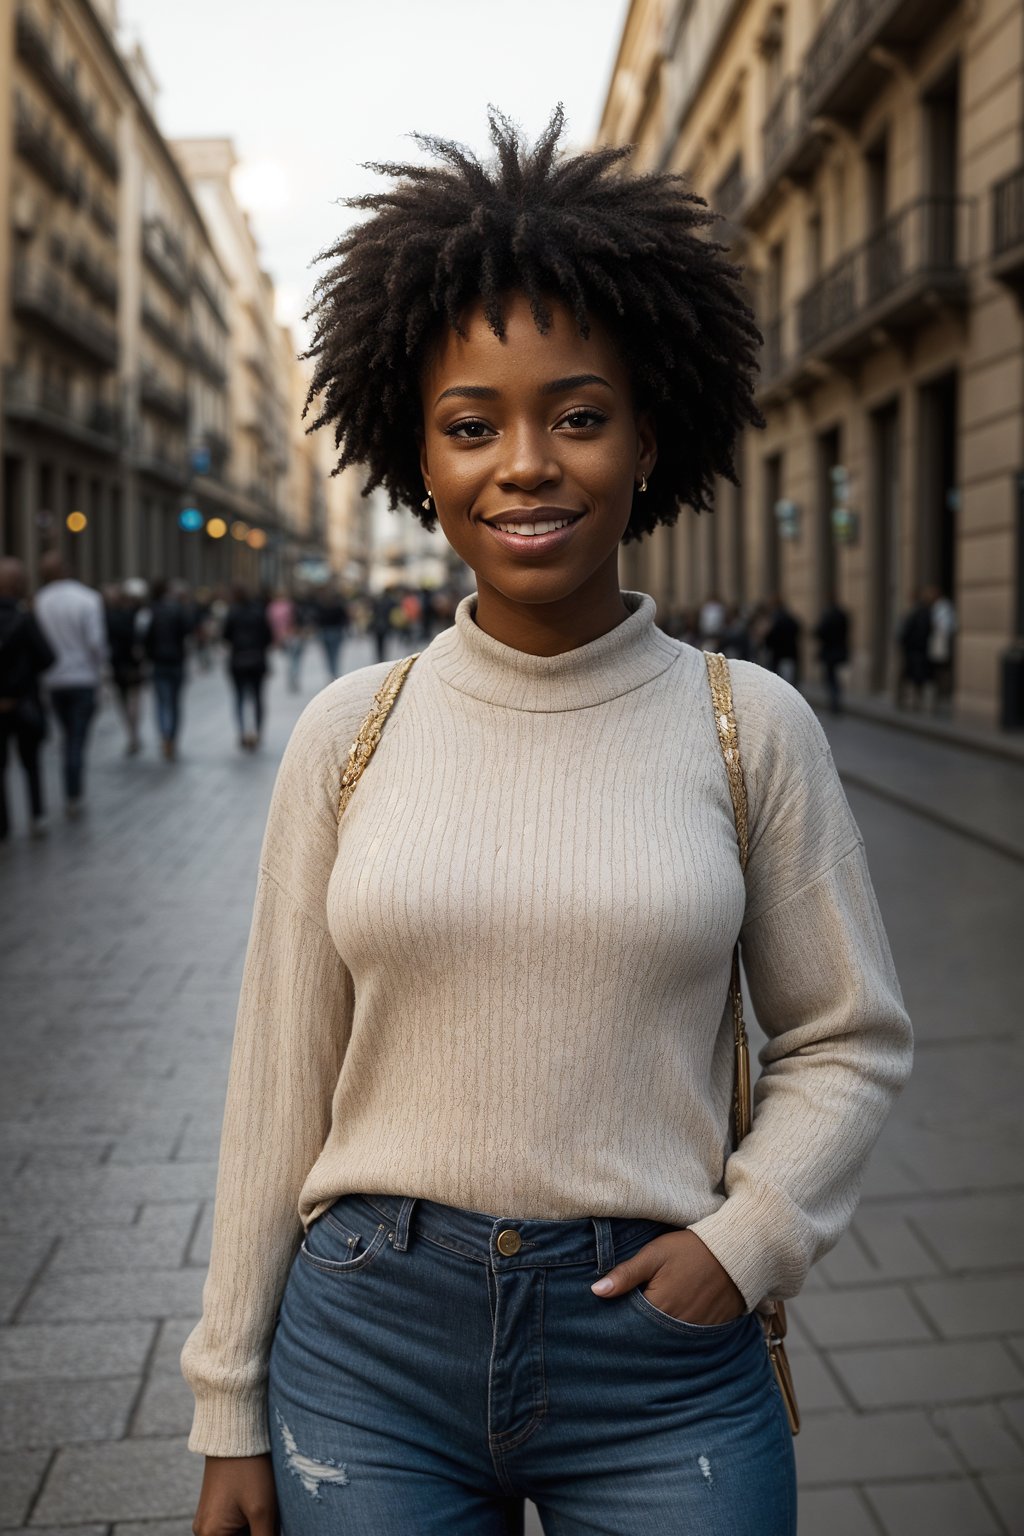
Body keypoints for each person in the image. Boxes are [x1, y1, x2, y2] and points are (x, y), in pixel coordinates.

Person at [182, 110, 912, 1536]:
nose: (526, 462)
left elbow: (848, 1036)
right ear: (421, 458)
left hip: (664, 1358)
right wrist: (227, 1405)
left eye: (578, 415)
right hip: (364, 1355)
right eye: (474, 426)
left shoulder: (747, 722)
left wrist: (748, 1240)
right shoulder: (349, 735)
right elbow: (277, 1085)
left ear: (650, 441)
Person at [34, 551, 107, 817]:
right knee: (76, 737)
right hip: (82, 677)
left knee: (68, 736)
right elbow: (96, 643)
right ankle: (73, 790)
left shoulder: (40, 601)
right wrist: (100, 671)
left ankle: (72, 786)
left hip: (53, 680)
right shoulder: (87, 599)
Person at [0, 557, 55, 839]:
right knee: (31, 762)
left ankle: (3, 824)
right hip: (23, 700)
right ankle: (36, 814)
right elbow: (47, 656)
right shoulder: (24, 618)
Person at [142, 578, 191, 760]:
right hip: (176, 661)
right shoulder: (177, 608)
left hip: (159, 662)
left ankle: (165, 735)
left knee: (162, 702)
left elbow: (144, 637)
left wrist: (149, 655)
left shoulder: (151, 611)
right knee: (175, 702)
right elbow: (187, 630)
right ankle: (172, 736)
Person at [223, 584, 274, 750]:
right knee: (258, 698)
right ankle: (257, 732)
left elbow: (225, 636)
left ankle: (243, 732)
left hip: (238, 660)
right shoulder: (259, 612)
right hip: (257, 660)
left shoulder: (232, 613)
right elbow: (268, 636)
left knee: (239, 698)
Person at [105, 578, 149, 755]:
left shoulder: (109, 616)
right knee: (134, 699)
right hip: (131, 662)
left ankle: (131, 733)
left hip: (118, 662)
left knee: (124, 700)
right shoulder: (135, 615)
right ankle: (133, 732)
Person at [814, 596, 850, 714]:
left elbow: (821, 632)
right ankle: (836, 701)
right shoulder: (842, 615)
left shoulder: (828, 616)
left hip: (829, 651)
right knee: (834, 677)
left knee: (830, 678)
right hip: (839, 650)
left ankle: (834, 702)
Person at [896, 591, 932, 710]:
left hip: (913, 650)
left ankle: (903, 700)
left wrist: (903, 643)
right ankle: (915, 701)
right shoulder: (926, 613)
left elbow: (905, 632)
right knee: (918, 677)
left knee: (908, 675)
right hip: (921, 649)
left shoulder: (913, 614)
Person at [925, 585, 957, 714]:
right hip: (937, 644)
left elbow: (947, 626)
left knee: (942, 671)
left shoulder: (944, 607)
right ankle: (939, 696)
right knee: (938, 670)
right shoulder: (937, 607)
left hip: (942, 644)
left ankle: (944, 695)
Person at [267, 589, 304, 694]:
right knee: (295, 659)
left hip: (281, 637)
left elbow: (270, 625)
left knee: (290, 659)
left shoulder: (272, 608)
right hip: (293, 635)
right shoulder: (290, 606)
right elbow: (297, 620)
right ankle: (294, 675)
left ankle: (291, 675)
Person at [763, 596, 801, 685]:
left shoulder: (775, 620)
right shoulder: (790, 618)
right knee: (789, 680)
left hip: (779, 655)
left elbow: (771, 638)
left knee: (782, 682)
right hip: (790, 653)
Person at [314, 586, 348, 679]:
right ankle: (334, 671)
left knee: (329, 655)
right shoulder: (338, 606)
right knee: (334, 654)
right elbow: (344, 619)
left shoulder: (321, 606)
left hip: (326, 632)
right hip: (335, 632)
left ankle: (332, 672)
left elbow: (317, 620)